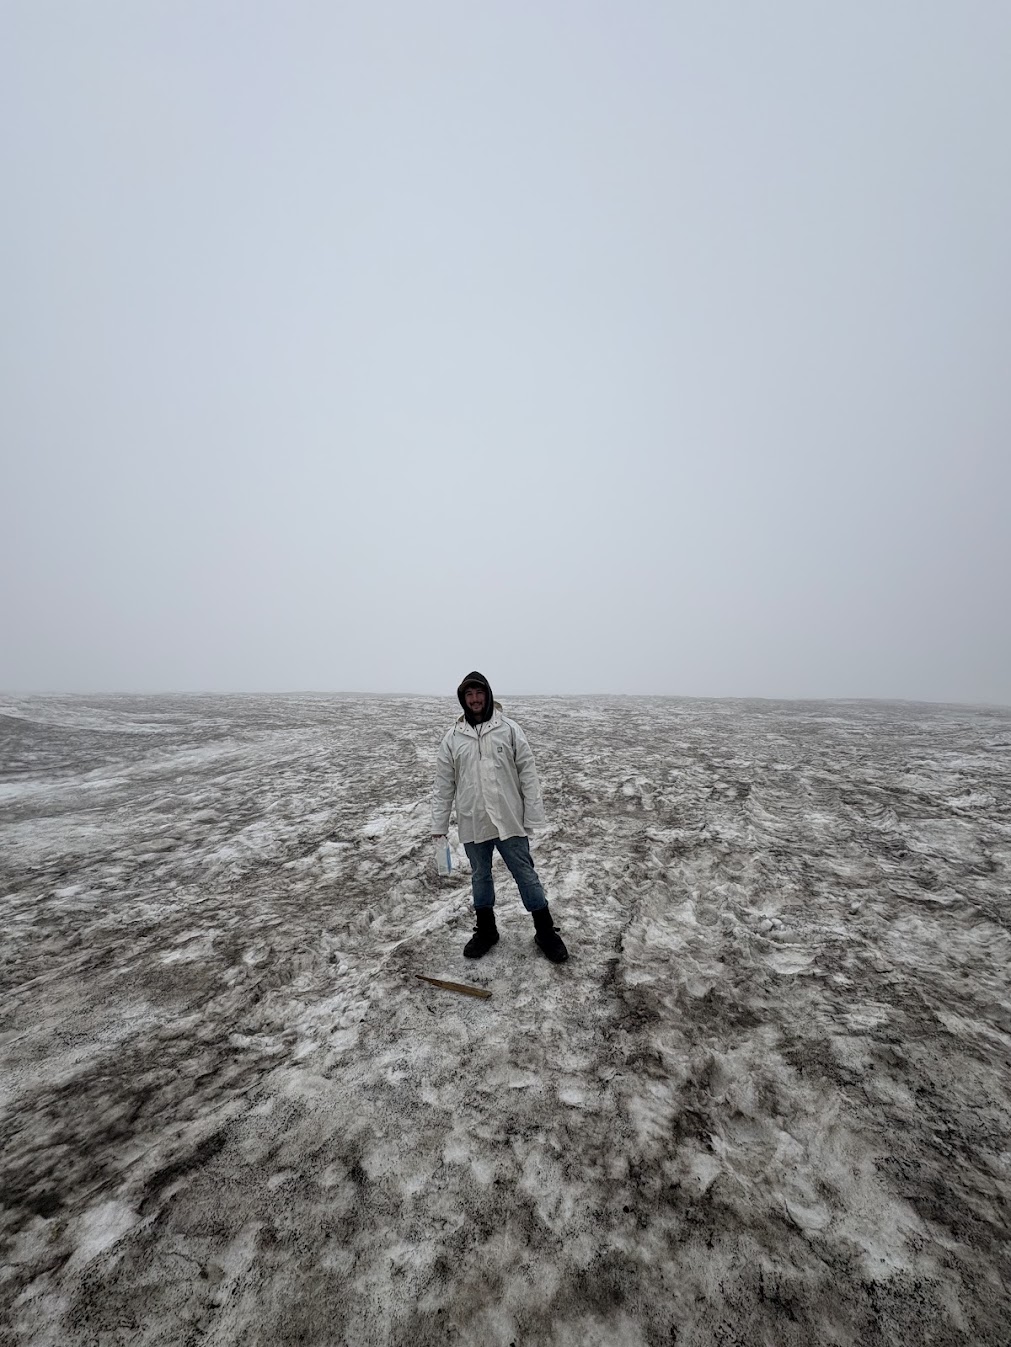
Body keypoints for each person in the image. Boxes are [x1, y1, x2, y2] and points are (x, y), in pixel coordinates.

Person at [431, 672, 568, 963]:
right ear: (463, 699)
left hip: (508, 818)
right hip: (473, 819)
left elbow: (528, 773)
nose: (475, 699)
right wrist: (438, 826)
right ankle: (486, 930)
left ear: (488, 694)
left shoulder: (509, 729)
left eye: (479, 693)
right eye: (469, 695)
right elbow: (444, 785)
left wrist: (532, 814)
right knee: (480, 876)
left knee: (525, 874)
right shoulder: (452, 738)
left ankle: (545, 931)